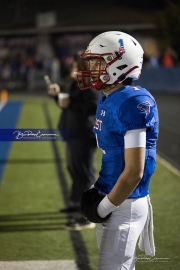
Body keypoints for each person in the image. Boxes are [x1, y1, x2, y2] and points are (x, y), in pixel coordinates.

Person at [76, 31, 159, 269]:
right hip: (113, 197)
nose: (90, 67)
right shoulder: (109, 97)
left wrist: (104, 207)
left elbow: (134, 171)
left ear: (119, 63)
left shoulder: (133, 101)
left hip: (124, 202)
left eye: (97, 61)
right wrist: (96, 188)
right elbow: (113, 155)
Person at [47, 56, 101, 230]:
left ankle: (87, 215)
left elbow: (95, 105)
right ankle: (77, 203)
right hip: (73, 131)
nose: (73, 68)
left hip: (83, 133)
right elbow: (67, 104)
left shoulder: (90, 83)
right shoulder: (77, 81)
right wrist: (57, 96)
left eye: (76, 65)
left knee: (84, 173)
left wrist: (72, 102)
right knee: (74, 168)